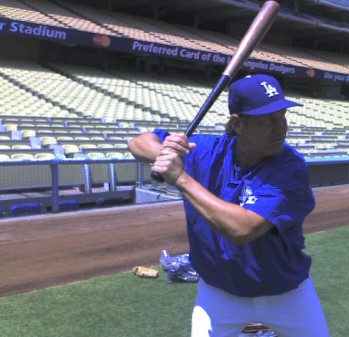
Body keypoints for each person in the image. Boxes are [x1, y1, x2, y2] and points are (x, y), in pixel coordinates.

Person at [128, 74, 330, 337]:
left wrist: (179, 177)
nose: (280, 128)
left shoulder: (289, 167)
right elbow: (138, 142)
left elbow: (242, 229)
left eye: (281, 117)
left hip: (286, 294)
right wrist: (165, 153)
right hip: (219, 294)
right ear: (238, 124)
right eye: (268, 120)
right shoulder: (205, 149)